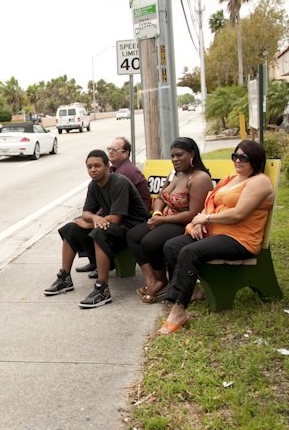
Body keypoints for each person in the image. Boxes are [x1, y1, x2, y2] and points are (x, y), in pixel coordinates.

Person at [158, 140, 274, 334]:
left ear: (255, 159)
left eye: (243, 157)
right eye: (235, 156)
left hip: (239, 239)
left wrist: (207, 218)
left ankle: (179, 310)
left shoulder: (259, 181)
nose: (238, 161)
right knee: (172, 246)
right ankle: (192, 292)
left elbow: (239, 214)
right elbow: (210, 200)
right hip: (215, 232)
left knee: (189, 252)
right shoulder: (232, 177)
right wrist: (196, 223)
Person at [44, 150, 149, 308]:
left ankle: (102, 289)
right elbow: (86, 212)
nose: (93, 169)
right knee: (70, 228)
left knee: (99, 233)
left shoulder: (119, 182)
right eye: (89, 166)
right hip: (112, 224)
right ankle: (64, 277)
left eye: (97, 166)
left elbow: (115, 218)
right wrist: (93, 218)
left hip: (133, 226)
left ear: (108, 166)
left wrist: (89, 223)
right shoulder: (94, 185)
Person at [125, 137, 212, 303]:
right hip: (164, 219)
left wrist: (162, 221)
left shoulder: (200, 178)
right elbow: (160, 198)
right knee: (133, 235)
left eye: (179, 155)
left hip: (185, 224)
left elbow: (194, 213)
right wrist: (157, 214)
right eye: (172, 156)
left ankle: (166, 282)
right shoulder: (175, 174)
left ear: (192, 154)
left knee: (150, 242)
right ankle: (156, 280)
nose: (175, 159)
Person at [75, 137, 151, 276]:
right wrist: (93, 218)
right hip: (117, 213)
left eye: (114, 149)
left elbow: (115, 214)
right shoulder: (106, 175)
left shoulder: (124, 173)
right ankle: (72, 273)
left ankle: (102, 279)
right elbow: (95, 207)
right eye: (109, 148)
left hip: (132, 220)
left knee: (96, 230)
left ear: (126, 153)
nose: (110, 151)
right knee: (73, 227)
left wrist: (92, 222)